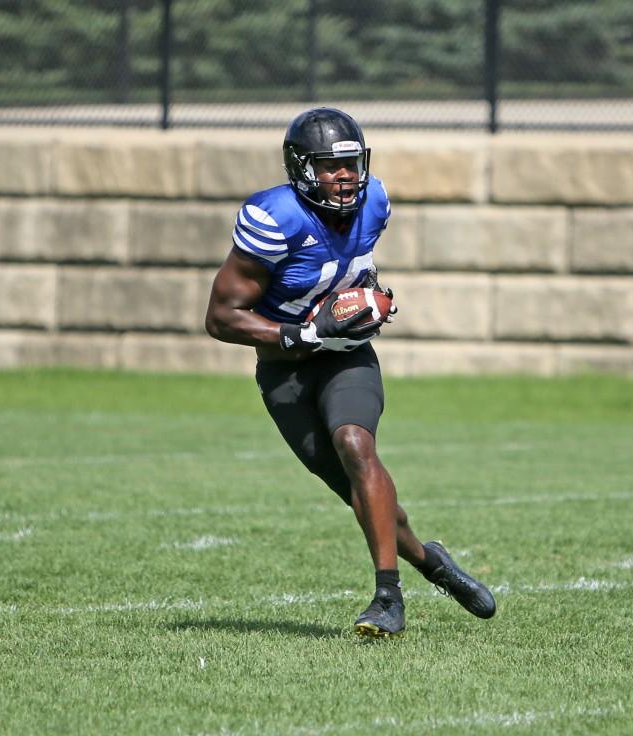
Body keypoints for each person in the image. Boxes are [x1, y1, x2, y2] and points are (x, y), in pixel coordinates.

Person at [204, 107, 496, 638]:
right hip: (286, 372)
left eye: (351, 165)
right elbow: (221, 317)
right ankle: (434, 564)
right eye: (329, 167)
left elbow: (354, 269)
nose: (345, 177)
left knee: (357, 445)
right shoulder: (277, 219)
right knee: (365, 499)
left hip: (346, 356)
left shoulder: (375, 202)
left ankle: (388, 597)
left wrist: (368, 299)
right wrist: (298, 335)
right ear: (301, 169)